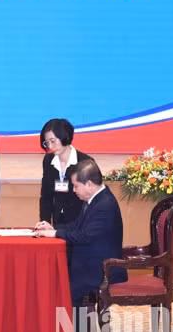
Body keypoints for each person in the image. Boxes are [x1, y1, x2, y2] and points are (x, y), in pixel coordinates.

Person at [35, 158, 127, 305]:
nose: (74, 190)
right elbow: (77, 225)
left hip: (100, 270)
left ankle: (76, 320)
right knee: (55, 277)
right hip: (89, 264)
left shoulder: (105, 205)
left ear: (89, 184)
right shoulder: (95, 199)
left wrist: (55, 234)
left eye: (76, 186)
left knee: (59, 286)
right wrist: (54, 229)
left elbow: (84, 236)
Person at [38, 118, 92, 229]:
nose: (50, 147)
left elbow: (90, 199)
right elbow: (46, 197)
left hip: (80, 225)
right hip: (57, 224)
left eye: (53, 141)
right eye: (47, 143)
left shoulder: (85, 162)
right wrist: (45, 222)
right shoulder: (48, 160)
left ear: (65, 136)